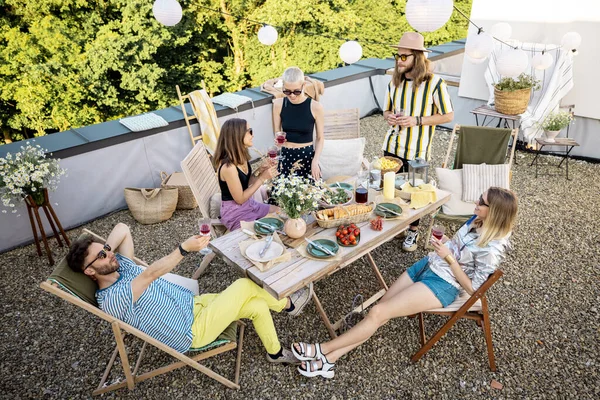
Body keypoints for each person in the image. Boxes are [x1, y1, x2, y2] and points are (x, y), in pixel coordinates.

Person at [291, 187, 518, 378]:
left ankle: (322, 349)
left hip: (444, 286)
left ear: (495, 212)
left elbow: (474, 289)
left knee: (378, 312)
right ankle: (330, 361)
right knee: (377, 313)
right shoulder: (476, 220)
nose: (476, 202)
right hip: (428, 265)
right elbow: (460, 249)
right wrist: (447, 243)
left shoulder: (492, 249)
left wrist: (448, 257)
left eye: (482, 202)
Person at [66, 223, 312, 364]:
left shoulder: (120, 265)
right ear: (89, 272)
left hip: (194, 305)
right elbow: (149, 274)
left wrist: (102, 249)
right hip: (192, 331)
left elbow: (123, 228)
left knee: (257, 305)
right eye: (101, 257)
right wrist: (183, 249)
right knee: (244, 285)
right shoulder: (111, 300)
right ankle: (289, 305)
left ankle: (276, 353)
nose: (109, 255)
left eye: (107, 251)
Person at [384, 32, 454, 252]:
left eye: (404, 57)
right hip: (391, 146)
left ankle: (412, 233)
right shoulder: (394, 81)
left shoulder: (434, 84)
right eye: (397, 56)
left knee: (416, 192)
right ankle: (398, 225)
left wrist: (417, 120)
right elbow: (386, 110)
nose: (399, 60)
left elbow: (448, 115)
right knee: (391, 190)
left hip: (417, 150)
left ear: (417, 57)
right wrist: (389, 116)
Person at [214, 118, 280, 231]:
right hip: (235, 213)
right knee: (263, 232)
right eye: (249, 131)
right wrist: (263, 178)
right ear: (237, 135)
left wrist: (260, 169)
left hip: (249, 205)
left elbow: (246, 182)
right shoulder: (228, 167)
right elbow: (240, 199)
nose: (252, 135)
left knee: (280, 212)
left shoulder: (241, 156)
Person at [272, 66, 325, 180]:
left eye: (296, 91)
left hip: (306, 157)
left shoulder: (316, 107)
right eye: (287, 91)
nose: (291, 95)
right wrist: (277, 139)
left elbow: (320, 138)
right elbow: (277, 132)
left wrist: (315, 161)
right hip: (286, 156)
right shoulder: (278, 105)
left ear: (303, 85)